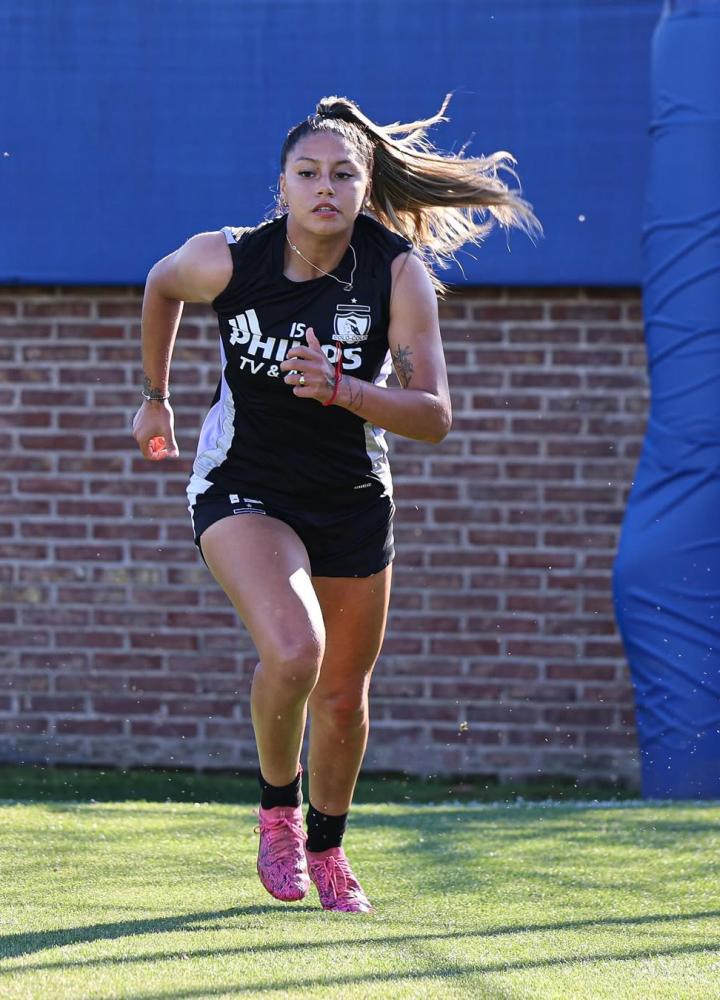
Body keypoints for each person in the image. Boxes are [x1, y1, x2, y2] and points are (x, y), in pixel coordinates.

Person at [132, 94, 540, 913]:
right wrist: (155, 397)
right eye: (308, 173)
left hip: (351, 497)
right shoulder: (228, 258)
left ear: (365, 186)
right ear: (282, 184)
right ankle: (277, 815)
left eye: (344, 175)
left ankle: (327, 847)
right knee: (295, 651)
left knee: (344, 696)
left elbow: (434, 417)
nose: (326, 187)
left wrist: (344, 389)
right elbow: (160, 285)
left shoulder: (397, 273)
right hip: (243, 485)